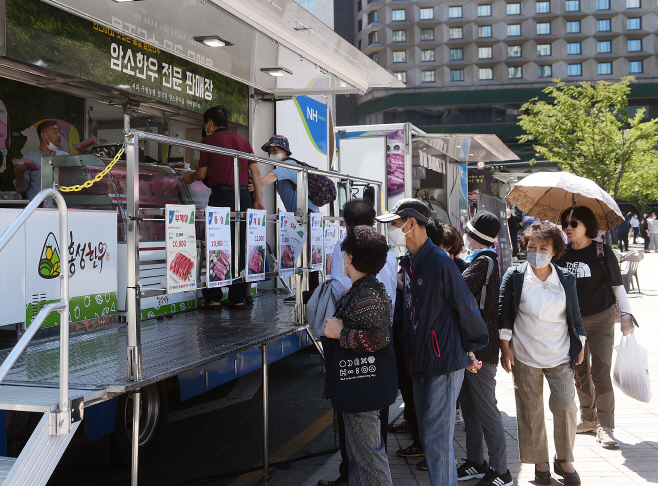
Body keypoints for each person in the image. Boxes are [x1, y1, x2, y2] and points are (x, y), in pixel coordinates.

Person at [376, 198, 489, 486]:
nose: (392, 229)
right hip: (421, 361)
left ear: (411, 224)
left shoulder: (439, 261)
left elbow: (466, 307)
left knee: (437, 441)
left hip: (443, 361)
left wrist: (473, 347)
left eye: (395, 224)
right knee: (430, 438)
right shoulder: (412, 262)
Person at [499, 221, 586, 486]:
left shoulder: (566, 278)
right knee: (530, 411)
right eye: (532, 246)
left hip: (560, 353)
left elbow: (575, 316)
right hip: (524, 354)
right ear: (525, 247)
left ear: (555, 250)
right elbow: (504, 314)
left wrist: (580, 344)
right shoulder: (514, 276)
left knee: (565, 407)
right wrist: (505, 348)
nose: (537, 251)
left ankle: (564, 458)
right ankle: (541, 462)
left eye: (544, 247)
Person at [319, 200, 398, 486]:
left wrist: (339, 333)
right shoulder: (367, 287)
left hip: (362, 385)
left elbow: (378, 338)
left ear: (351, 258)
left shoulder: (366, 292)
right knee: (361, 454)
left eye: (346, 253)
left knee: (370, 456)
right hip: (361, 383)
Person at [555, 206, 635, 449]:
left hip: (600, 319)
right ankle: (587, 418)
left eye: (573, 223)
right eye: (565, 223)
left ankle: (606, 425)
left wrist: (627, 315)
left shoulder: (602, 252)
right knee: (579, 371)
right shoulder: (561, 253)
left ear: (587, 225)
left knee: (600, 371)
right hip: (571, 322)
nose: (568, 228)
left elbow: (618, 286)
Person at [183, 106, 265, 309]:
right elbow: (255, 170)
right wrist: (258, 199)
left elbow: (201, 174)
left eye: (205, 124)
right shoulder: (242, 141)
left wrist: (189, 177)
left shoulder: (209, 141)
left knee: (217, 244)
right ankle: (237, 297)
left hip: (221, 196)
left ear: (210, 123)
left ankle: (214, 297)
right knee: (241, 245)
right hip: (244, 196)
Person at [456, 212, 513, 486]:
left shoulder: (483, 262)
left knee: (486, 410)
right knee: (470, 408)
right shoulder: (480, 260)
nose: (464, 238)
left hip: (482, 348)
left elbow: (458, 291)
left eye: (467, 233)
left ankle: (501, 470)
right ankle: (475, 462)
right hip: (473, 346)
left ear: (474, 237)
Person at [391, 217, 444, 462]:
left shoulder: (437, 264)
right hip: (409, 337)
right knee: (412, 392)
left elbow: (462, 310)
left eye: (400, 226)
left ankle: (426, 446)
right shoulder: (409, 261)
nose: (397, 233)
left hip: (429, 348)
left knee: (425, 401)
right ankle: (419, 437)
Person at [14, 120, 69, 200]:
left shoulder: (65, 157)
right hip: (38, 208)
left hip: (62, 207)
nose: (59, 135)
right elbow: (21, 189)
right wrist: (20, 177)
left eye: (59, 132)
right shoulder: (29, 159)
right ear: (43, 135)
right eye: (55, 132)